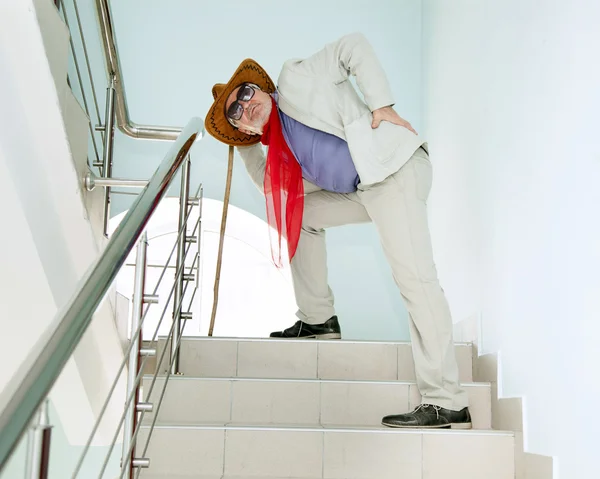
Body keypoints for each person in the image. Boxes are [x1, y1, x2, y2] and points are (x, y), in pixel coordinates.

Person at [204, 32, 471, 429]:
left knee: (415, 281)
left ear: (259, 86)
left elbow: (354, 46)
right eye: (236, 113)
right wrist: (244, 141)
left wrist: (381, 103)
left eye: (245, 94)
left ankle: (447, 401)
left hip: (394, 170)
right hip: (365, 190)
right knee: (299, 214)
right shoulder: (277, 149)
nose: (246, 106)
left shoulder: (296, 78)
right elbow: (270, 185)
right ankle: (318, 320)